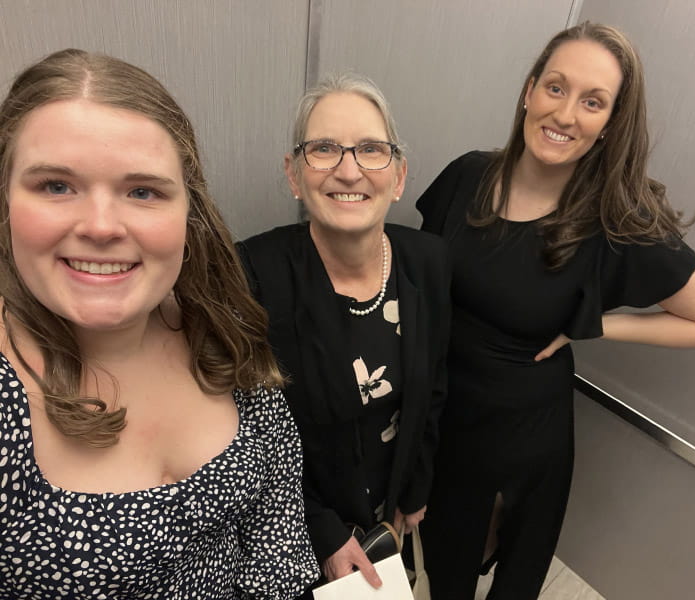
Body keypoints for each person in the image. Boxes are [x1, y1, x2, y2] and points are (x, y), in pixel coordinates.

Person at [416, 22, 695, 599]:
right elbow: (422, 287)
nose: (566, 114)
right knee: (444, 575)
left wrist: (595, 325)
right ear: (529, 90)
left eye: (593, 102)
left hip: (521, 441)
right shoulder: (467, 173)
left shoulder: (612, 223)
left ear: (610, 123)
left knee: (508, 581)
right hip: (445, 420)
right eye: (556, 88)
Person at [0, 49, 318, 599]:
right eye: (56, 185)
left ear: (188, 212)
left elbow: (277, 521)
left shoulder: (219, 325)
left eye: (142, 191)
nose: (101, 226)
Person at [237, 73, 450, 592]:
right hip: (300, 526)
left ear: (399, 177)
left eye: (371, 150)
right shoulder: (253, 273)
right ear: (293, 174)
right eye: (324, 149)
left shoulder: (428, 259)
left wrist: (414, 490)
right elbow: (242, 438)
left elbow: (434, 382)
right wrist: (323, 534)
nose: (349, 170)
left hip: (390, 512)